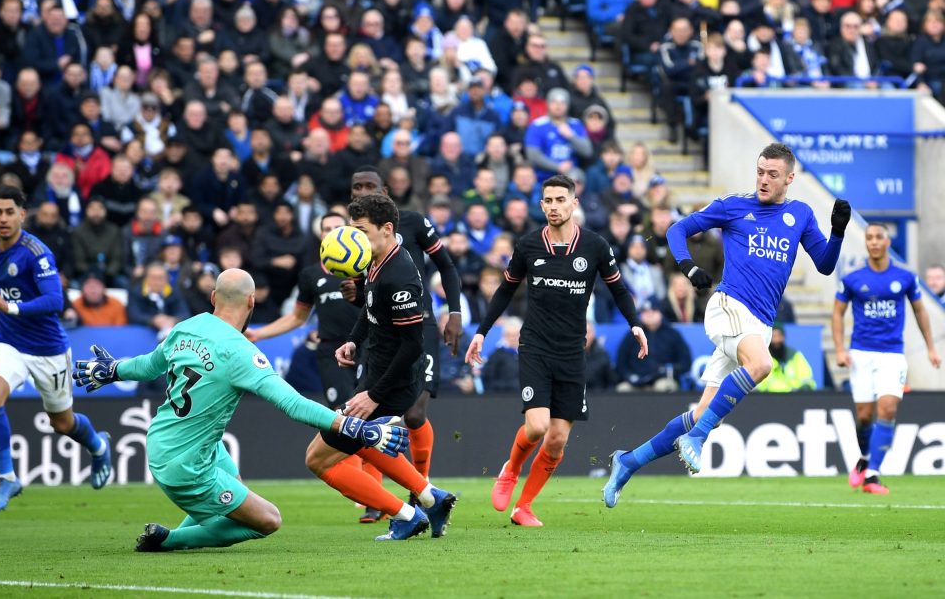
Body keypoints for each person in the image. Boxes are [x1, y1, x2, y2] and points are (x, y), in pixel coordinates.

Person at [71, 268, 408, 552]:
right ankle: (170, 540)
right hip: (185, 465)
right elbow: (292, 404)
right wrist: (356, 428)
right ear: (251, 301)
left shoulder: (186, 327)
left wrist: (112, 369)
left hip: (172, 440)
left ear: (214, 298)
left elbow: (146, 367)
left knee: (236, 486)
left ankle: (180, 531)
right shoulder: (240, 353)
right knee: (267, 520)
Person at [604, 143, 850, 507]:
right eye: (760, 171)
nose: (764, 180)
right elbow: (676, 230)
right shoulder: (734, 206)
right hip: (729, 305)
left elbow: (825, 265)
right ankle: (697, 439)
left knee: (703, 414)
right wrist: (688, 267)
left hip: (759, 323)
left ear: (789, 178)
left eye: (772, 174)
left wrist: (838, 232)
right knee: (762, 364)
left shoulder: (800, 214)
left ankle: (626, 462)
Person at [465, 174, 648, 527]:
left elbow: (619, 290)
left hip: (572, 352)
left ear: (574, 203)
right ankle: (511, 469)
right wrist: (482, 332)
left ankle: (525, 507)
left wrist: (635, 324)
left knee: (558, 439)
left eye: (560, 200)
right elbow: (504, 290)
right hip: (535, 346)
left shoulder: (595, 246)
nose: (553, 207)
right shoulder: (529, 246)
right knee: (537, 426)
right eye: (547, 201)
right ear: (541, 205)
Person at [304, 195, 458, 541]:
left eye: (360, 230)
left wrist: (374, 396)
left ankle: (406, 514)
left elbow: (412, 345)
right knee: (360, 444)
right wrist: (354, 340)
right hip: (378, 371)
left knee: (318, 459)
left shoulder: (401, 275)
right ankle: (432, 499)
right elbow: (371, 309)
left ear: (387, 229)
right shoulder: (375, 261)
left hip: (392, 381)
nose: (354, 237)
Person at [0, 186, 113, 513]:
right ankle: (8, 477)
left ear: (21, 215)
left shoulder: (35, 252)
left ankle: (98, 446)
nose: (3, 218)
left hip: (48, 350)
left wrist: (9, 307)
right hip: (10, 345)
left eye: (9, 212)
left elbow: (55, 301)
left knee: (62, 423)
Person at [349, 169, 463, 485]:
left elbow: (446, 265)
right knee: (371, 414)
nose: (361, 191)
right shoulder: (353, 239)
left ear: (384, 190)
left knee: (414, 414)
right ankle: (376, 492)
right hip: (380, 332)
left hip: (419, 326)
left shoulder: (412, 222)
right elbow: (369, 298)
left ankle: (420, 485)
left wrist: (455, 311)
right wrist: (354, 299)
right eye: (356, 187)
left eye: (369, 186)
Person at [832, 223, 941, 494]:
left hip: (892, 353)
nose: (873, 242)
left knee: (888, 409)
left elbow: (920, 312)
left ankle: (873, 475)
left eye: (878, 237)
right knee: (865, 416)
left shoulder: (905, 277)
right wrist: (840, 350)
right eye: (869, 238)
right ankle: (865, 459)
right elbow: (837, 313)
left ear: (888, 241)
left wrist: (931, 348)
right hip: (861, 353)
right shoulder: (852, 279)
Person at [246, 212, 360, 410]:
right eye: (327, 229)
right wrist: (258, 333)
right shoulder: (311, 275)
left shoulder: (364, 268)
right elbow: (297, 318)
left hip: (365, 347)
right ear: (321, 236)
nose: (332, 233)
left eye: (337, 228)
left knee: (369, 412)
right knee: (342, 414)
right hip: (331, 352)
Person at [755, 325, 815, 393]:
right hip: (766, 398)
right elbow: (756, 383)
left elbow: (806, 378)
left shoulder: (795, 355)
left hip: (794, 398)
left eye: (779, 336)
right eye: (774, 336)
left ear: (784, 337)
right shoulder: (762, 357)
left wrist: (804, 388)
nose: (777, 340)